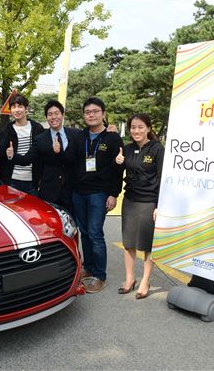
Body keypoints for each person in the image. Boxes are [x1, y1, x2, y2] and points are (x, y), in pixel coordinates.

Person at [70, 97, 123, 293]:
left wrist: (113, 194)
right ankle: (88, 267)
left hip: (99, 194)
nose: (91, 115)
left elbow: (118, 169)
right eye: (87, 112)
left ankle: (100, 275)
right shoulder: (79, 135)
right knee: (84, 232)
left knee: (95, 233)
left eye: (95, 111)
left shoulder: (113, 138)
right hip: (78, 192)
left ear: (103, 114)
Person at [115, 113, 164, 299]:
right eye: (133, 127)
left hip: (149, 202)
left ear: (148, 129)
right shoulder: (126, 149)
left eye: (140, 127)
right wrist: (118, 163)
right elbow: (119, 173)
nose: (136, 131)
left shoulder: (157, 149)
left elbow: (162, 179)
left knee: (147, 244)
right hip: (130, 201)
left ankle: (145, 280)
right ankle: (130, 278)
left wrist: (159, 205)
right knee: (128, 243)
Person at [11, 100, 78, 212]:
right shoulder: (41, 139)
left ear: (62, 115)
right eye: (50, 114)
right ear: (46, 117)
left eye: (57, 113)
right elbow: (27, 159)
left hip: (71, 190)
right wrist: (12, 155)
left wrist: (108, 130)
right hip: (49, 191)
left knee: (72, 225)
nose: (53, 117)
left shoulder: (76, 134)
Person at [0, 94, 44, 195]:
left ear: (26, 109)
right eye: (13, 107)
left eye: (20, 106)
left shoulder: (37, 129)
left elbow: (38, 155)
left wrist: (13, 156)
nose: (17, 110)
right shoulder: (6, 130)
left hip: (32, 181)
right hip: (12, 181)